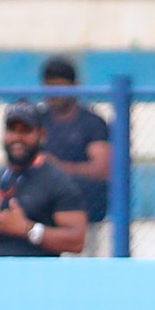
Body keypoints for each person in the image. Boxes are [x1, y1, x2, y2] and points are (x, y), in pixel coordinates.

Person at [0, 100, 87, 257]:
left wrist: (27, 229)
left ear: (41, 134)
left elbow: (77, 241)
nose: (17, 137)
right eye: (12, 130)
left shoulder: (58, 182)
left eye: (26, 131)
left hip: (40, 278)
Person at [38, 56, 111, 236]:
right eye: (49, 87)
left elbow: (102, 169)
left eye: (59, 87)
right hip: (45, 214)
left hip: (87, 213)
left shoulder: (92, 123)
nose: (54, 93)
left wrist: (59, 167)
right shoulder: (38, 121)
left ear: (75, 86)